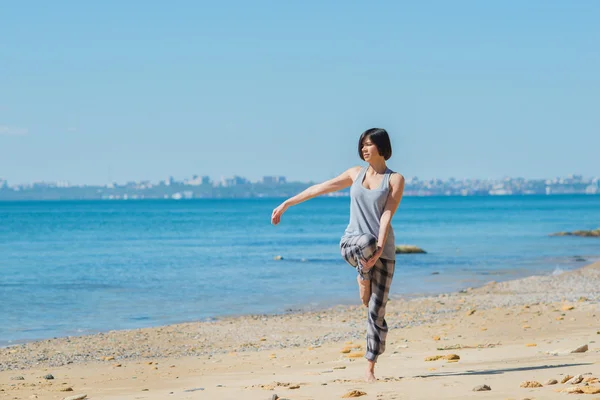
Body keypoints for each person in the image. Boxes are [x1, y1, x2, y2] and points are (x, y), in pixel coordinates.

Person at [270, 128, 405, 383]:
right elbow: (321, 188)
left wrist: (378, 252)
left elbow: (386, 215)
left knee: (376, 311)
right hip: (352, 243)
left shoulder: (395, 179)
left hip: (383, 251)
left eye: (369, 144)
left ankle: (370, 368)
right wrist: (287, 203)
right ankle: (362, 273)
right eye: (362, 145)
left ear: (381, 147)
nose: (364, 149)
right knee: (365, 240)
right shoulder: (356, 173)